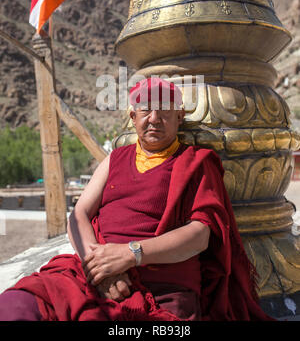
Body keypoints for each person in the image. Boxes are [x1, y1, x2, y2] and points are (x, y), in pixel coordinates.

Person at [0, 78, 273, 321]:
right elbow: (79, 213)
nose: (154, 118)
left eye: (165, 110)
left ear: (180, 116)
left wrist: (131, 254)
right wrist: (100, 269)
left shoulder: (196, 163)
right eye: (145, 109)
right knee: (15, 305)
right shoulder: (115, 159)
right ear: (133, 115)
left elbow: (200, 234)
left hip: (162, 285)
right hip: (96, 273)